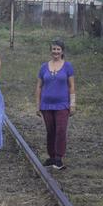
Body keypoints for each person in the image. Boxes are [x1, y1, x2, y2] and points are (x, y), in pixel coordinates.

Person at [35, 38, 75, 170]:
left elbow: (71, 86)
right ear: (50, 51)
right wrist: (38, 105)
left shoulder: (68, 67)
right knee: (50, 131)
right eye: (53, 49)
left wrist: (72, 104)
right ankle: (51, 156)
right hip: (46, 105)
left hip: (62, 105)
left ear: (62, 51)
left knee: (61, 130)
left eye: (58, 49)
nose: (55, 51)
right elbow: (39, 87)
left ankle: (59, 158)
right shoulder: (43, 67)